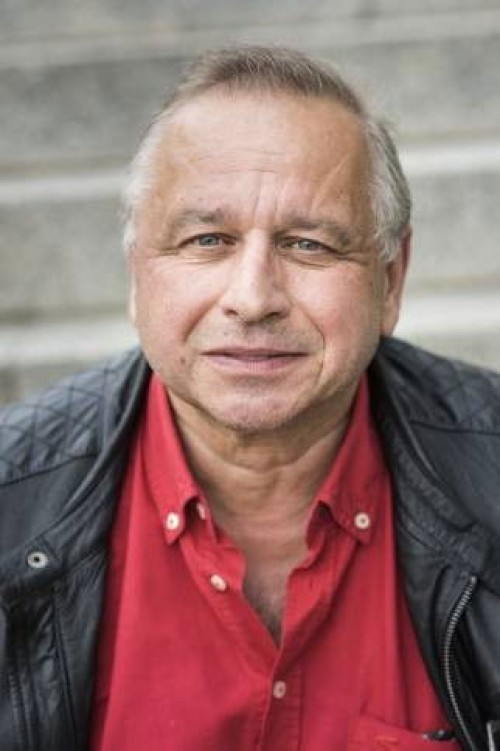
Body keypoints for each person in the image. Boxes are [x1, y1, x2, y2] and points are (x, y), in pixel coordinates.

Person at [0, 45, 499, 751]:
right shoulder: (12, 499)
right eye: (207, 239)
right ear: (138, 277)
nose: (253, 297)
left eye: (309, 245)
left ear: (390, 280)